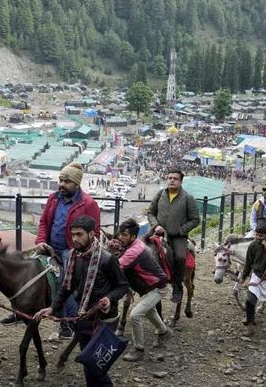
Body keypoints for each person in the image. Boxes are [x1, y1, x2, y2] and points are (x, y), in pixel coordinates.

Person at [34, 216, 129, 387]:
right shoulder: (73, 257)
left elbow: (122, 286)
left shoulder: (107, 259)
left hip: (104, 321)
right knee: (89, 364)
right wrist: (52, 308)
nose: (75, 239)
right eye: (73, 235)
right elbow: (66, 288)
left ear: (92, 234)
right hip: (84, 318)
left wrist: (109, 298)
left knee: (95, 367)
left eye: (79, 234)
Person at [33, 163, 101, 335]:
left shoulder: (88, 203)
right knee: (30, 269)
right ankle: (25, 313)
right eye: (61, 180)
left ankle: (68, 323)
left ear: (77, 183)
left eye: (67, 181)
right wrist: (40, 241)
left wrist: (82, 255)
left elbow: (95, 233)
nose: (62, 184)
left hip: (71, 251)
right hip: (49, 246)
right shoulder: (53, 198)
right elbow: (43, 223)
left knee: (65, 281)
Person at [116, 219, 173, 362]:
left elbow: (116, 267)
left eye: (124, 235)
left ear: (133, 237)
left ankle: (138, 350)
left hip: (157, 288)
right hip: (151, 287)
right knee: (149, 311)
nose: (120, 237)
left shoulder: (134, 251)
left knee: (135, 315)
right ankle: (164, 332)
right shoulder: (135, 244)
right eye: (119, 234)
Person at [147, 168, 200, 304]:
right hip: (157, 232)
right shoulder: (160, 194)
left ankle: (177, 287)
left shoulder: (188, 198)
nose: (171, 180)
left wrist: (181, 230)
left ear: (181, 181)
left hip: (178, 237)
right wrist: (155, 225)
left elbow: (195, 219)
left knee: (180, 257)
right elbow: (151, 213)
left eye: (175, 178)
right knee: (141, 249)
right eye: (169, 178)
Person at [239, 224, 266, 337]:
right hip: (257, 276)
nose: (258, 237)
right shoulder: (253, 245)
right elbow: (248, 263)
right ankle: (250, 325)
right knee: (249, 301)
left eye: (261, 235)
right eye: (257, 235)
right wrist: (243, 278)